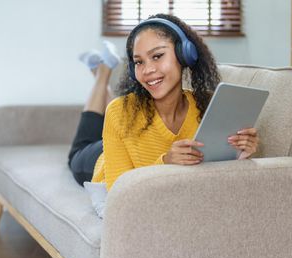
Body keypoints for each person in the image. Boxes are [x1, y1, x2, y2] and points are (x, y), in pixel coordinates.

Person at [69, 13, 259, 192]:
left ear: (184, 55)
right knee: (78, 152)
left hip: (127, 138)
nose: (147, 70)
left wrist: (238, 156)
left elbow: (211, 177)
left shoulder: (208, 106)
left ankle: (100, 71)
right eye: (139, 62)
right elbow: (121, 192)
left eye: (157, 56)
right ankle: (102, 73)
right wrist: (165, 163)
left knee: (120, 110)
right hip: (99, 162)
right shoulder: (120, 111)